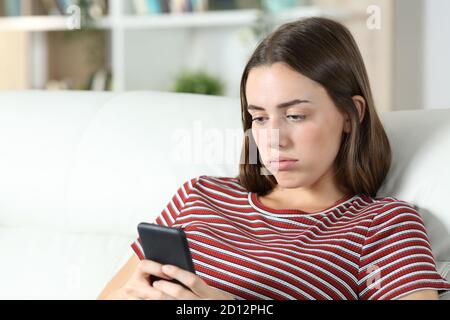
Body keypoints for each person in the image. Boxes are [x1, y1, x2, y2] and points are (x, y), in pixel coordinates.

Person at [97, 17, 450, 300]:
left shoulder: (383, 225)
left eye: (295, 115)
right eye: (260, 118)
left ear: (350, 115)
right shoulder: (198, 195)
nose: (273, 140)